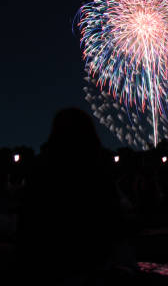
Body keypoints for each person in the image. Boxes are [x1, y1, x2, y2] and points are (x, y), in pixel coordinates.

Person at [18, 108, 123, 283]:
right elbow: (111, 213)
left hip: (45, 259)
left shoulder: (42, 166)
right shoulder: (96, 168)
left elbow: (29, 217)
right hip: (91, 258)